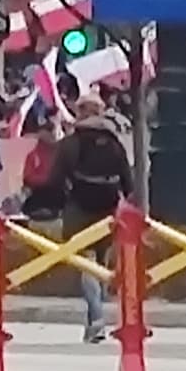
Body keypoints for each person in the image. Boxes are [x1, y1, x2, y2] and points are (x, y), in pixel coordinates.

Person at [53, 100, 134, 342]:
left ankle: (96, 318)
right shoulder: (114, 142)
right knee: (100, 263)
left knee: (86, 262)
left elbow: (56, 178)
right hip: (108, 209)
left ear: (81, 113)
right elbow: (128, 183)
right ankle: (94, 316)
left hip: (79, 207)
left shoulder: (71, 143)